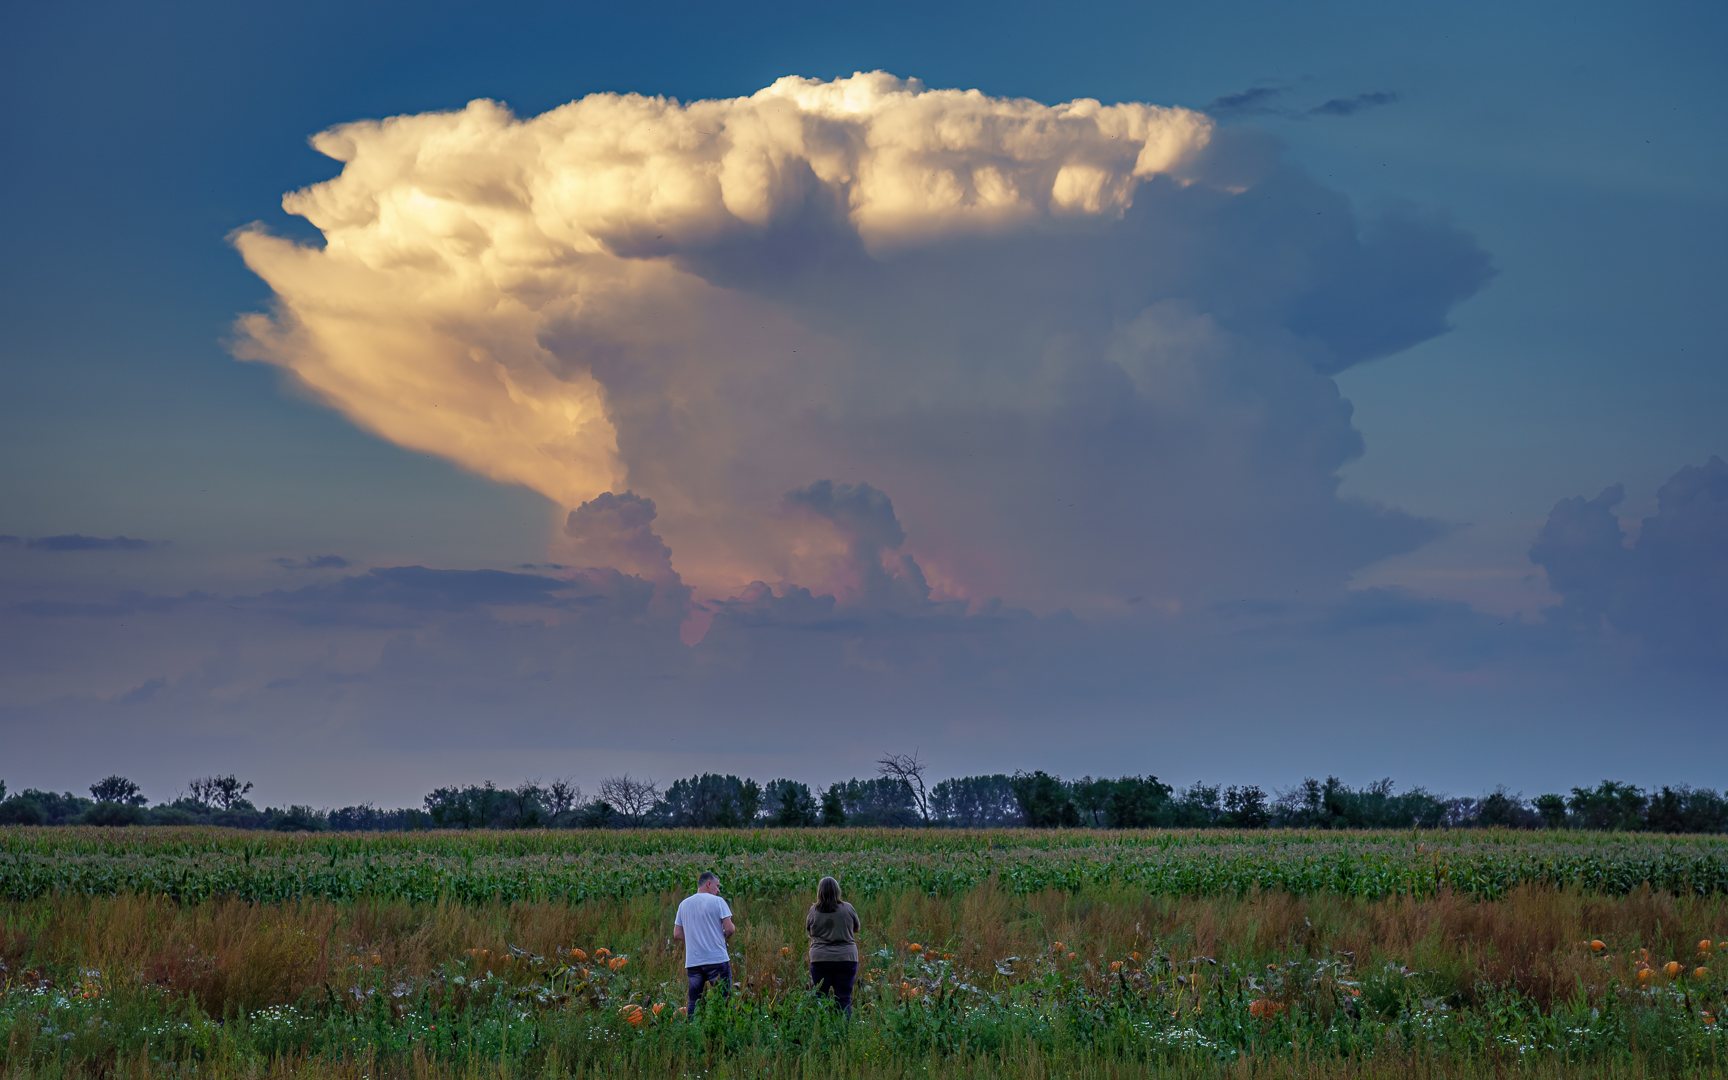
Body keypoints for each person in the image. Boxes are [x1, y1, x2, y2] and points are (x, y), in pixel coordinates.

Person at [673, 871, 735, 1014]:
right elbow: (730, 929)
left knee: (694, 1001)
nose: (718, 890)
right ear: (708, 884)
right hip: (716, 960)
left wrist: (693, 938)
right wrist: (722, 935)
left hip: (694, 962)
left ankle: (692, 1031)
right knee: (723, 999)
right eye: (717, 886)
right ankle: (722, 1031)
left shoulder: (684, 904)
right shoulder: (718, 901)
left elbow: (677, 934)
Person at [805, 875, 860, 1017]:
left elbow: (810, 931)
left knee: (820, 998)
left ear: (819, 892)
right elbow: (857, 928)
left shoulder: (814, 911)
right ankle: (843, 1033)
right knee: (843, 998)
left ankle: (821, 1031)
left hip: (820, 959)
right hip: (846, 958)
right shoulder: (848, 908)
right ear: (837, 891)